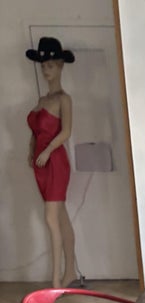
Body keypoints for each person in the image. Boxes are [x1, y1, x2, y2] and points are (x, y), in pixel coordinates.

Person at [26, 37, 78, 288]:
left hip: (55, 162)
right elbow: (35, 132)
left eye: (50, 66)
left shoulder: (63, 99)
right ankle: (70, 273)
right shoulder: (42, 100)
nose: (46, 70)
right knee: (61, 217)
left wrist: (46, 151)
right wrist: (31, 151)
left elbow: (66, 131)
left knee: (51, 218)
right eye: (43, 66)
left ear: (60, 66)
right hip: (41, 164)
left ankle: (56, 280)